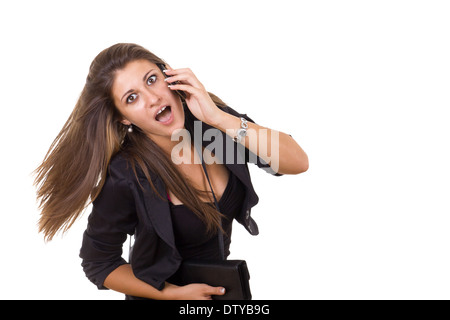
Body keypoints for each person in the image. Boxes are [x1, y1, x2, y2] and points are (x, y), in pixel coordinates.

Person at [34, 43, 308, 300]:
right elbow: (99, 263)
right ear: (123, 117)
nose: (152, 98)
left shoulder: (212, 127)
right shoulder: (127, 172)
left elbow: (297, 162)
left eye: (151, 79)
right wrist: (171, 294)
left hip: (216, 295)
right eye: (132, 98)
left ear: (170, 76)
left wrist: (219, 118)